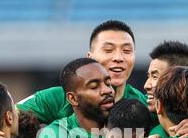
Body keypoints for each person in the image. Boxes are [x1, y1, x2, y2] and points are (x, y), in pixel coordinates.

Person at [16, 20, 146, 125]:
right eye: (108, 50)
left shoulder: (144, 106)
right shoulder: (56, 98)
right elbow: (8, 117)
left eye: (127, 51)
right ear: (91, 58)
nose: (119, 57)